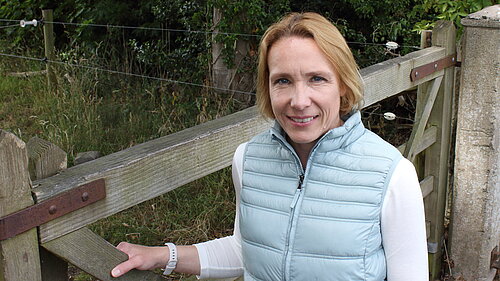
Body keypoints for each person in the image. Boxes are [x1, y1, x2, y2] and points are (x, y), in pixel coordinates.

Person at [111, 12, 428, 280]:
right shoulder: (248, 159)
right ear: (267, 86)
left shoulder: (391, 175)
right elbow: (246, 250)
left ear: (342, 84)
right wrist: (164, 256)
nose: (299, 101)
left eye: (317, 79)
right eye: (283, 81)